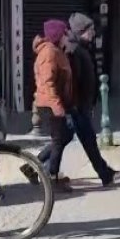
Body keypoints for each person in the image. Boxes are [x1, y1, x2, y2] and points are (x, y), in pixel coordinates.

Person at [62, 13, 117, 186]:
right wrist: (77, 105)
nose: (93, 33)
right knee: (85, 140)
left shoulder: (81, 47)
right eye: (90, 30)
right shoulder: (74, 50)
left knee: (68, 139)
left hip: (82, 104)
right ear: (80, 31)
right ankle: (104, 173)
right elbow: (74, 81)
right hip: (77, 106)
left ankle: (105, 172)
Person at [31, 19, 76, 193]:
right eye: (65, 33)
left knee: (63, 138)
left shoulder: (55, 51)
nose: (67, 36)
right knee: (59, 141)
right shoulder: (49, 53)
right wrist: (58, 108)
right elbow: (48, 84)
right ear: (58, 35)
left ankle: (33, 166)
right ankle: (52, 178)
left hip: (54, 103)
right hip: (50, 105)